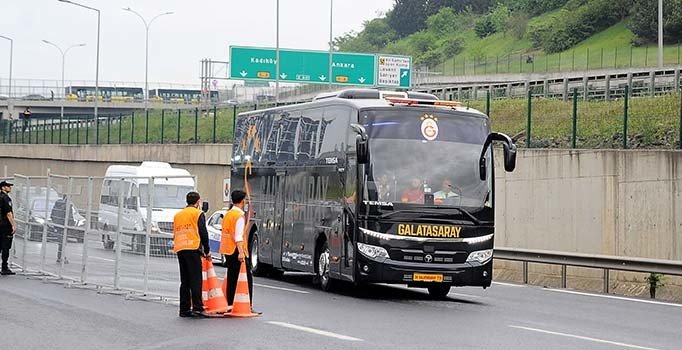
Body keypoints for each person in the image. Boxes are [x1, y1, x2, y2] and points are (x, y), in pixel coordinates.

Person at [173, 191, 210, 318]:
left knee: (185, 280)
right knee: (195, 280)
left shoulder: (178, 215)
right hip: (193, 247)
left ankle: (184, 309)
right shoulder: (198, 213)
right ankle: (198, 308)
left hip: (180, 247)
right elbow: (203, 233)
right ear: (198, 202)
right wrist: (207, 249)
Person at [221, 190, 256, 311]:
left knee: (232, 278)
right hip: (237, 250)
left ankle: (230, 304)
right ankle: (247, 305)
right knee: (246, 278)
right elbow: (238, 236)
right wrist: (241, 252)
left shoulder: (228, 214)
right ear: (243, 201)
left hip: (227, 249)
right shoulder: (239, 216)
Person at [0, 181, 16, 275]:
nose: (9, 187)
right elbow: (9, 214)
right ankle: (4, 267)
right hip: (5, 225)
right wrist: (13, 225)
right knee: (6, 246)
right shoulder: (6, 198)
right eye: (8, 186)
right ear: (2, 187)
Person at [50, 194, 72, 264]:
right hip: (64, 226)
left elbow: (52, 215)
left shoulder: (56, 205)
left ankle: (60, 257)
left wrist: (56, 223)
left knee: (61, 243)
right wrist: (71, 225)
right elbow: (70, 217)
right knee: (63, 243)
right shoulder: (67, 206)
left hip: (57, 226)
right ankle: (60, 257)